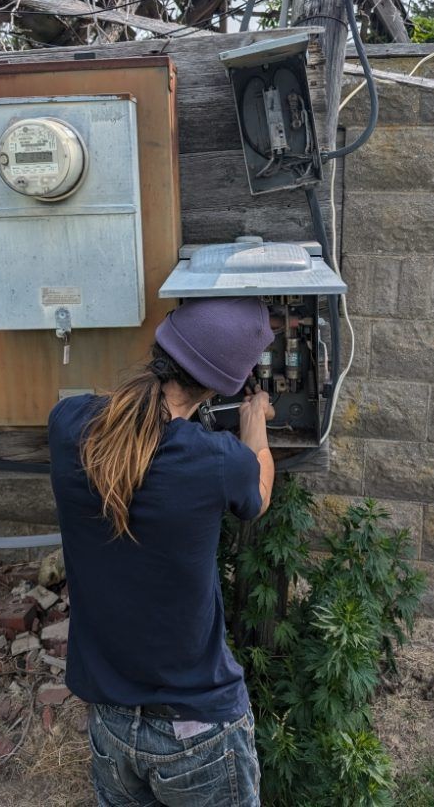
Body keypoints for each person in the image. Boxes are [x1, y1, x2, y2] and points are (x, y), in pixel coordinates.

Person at [48, 296, 276, 806]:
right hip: (196, 727)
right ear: (219, 385)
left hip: (109, 718)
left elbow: (121, 422)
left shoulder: (67, 426)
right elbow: (256, 493)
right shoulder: (218, 461)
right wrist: (254, 422)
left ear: (161, 346)